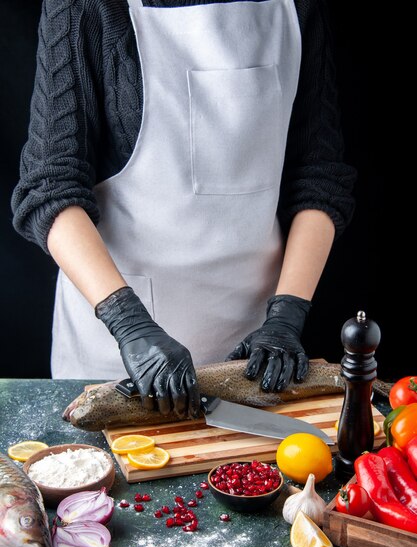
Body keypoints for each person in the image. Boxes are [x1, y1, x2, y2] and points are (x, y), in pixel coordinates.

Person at [11, 0, 356, 420]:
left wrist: (287, 315)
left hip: (254, 358)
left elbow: (319, 178)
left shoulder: (299, 7)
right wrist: (129, 324)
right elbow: (49, 188)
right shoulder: (84, 7)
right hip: (117, 357)